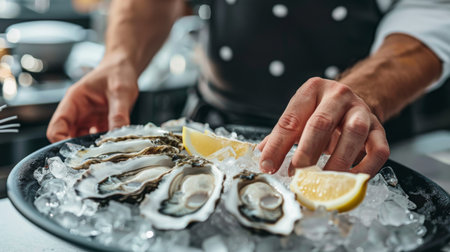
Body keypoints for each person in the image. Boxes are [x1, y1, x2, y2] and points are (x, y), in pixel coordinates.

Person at [47, 0, 450, 177]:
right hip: (211, 125)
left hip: (354, 149)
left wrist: (361, 93)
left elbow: (432, 15)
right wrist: (120, 57)